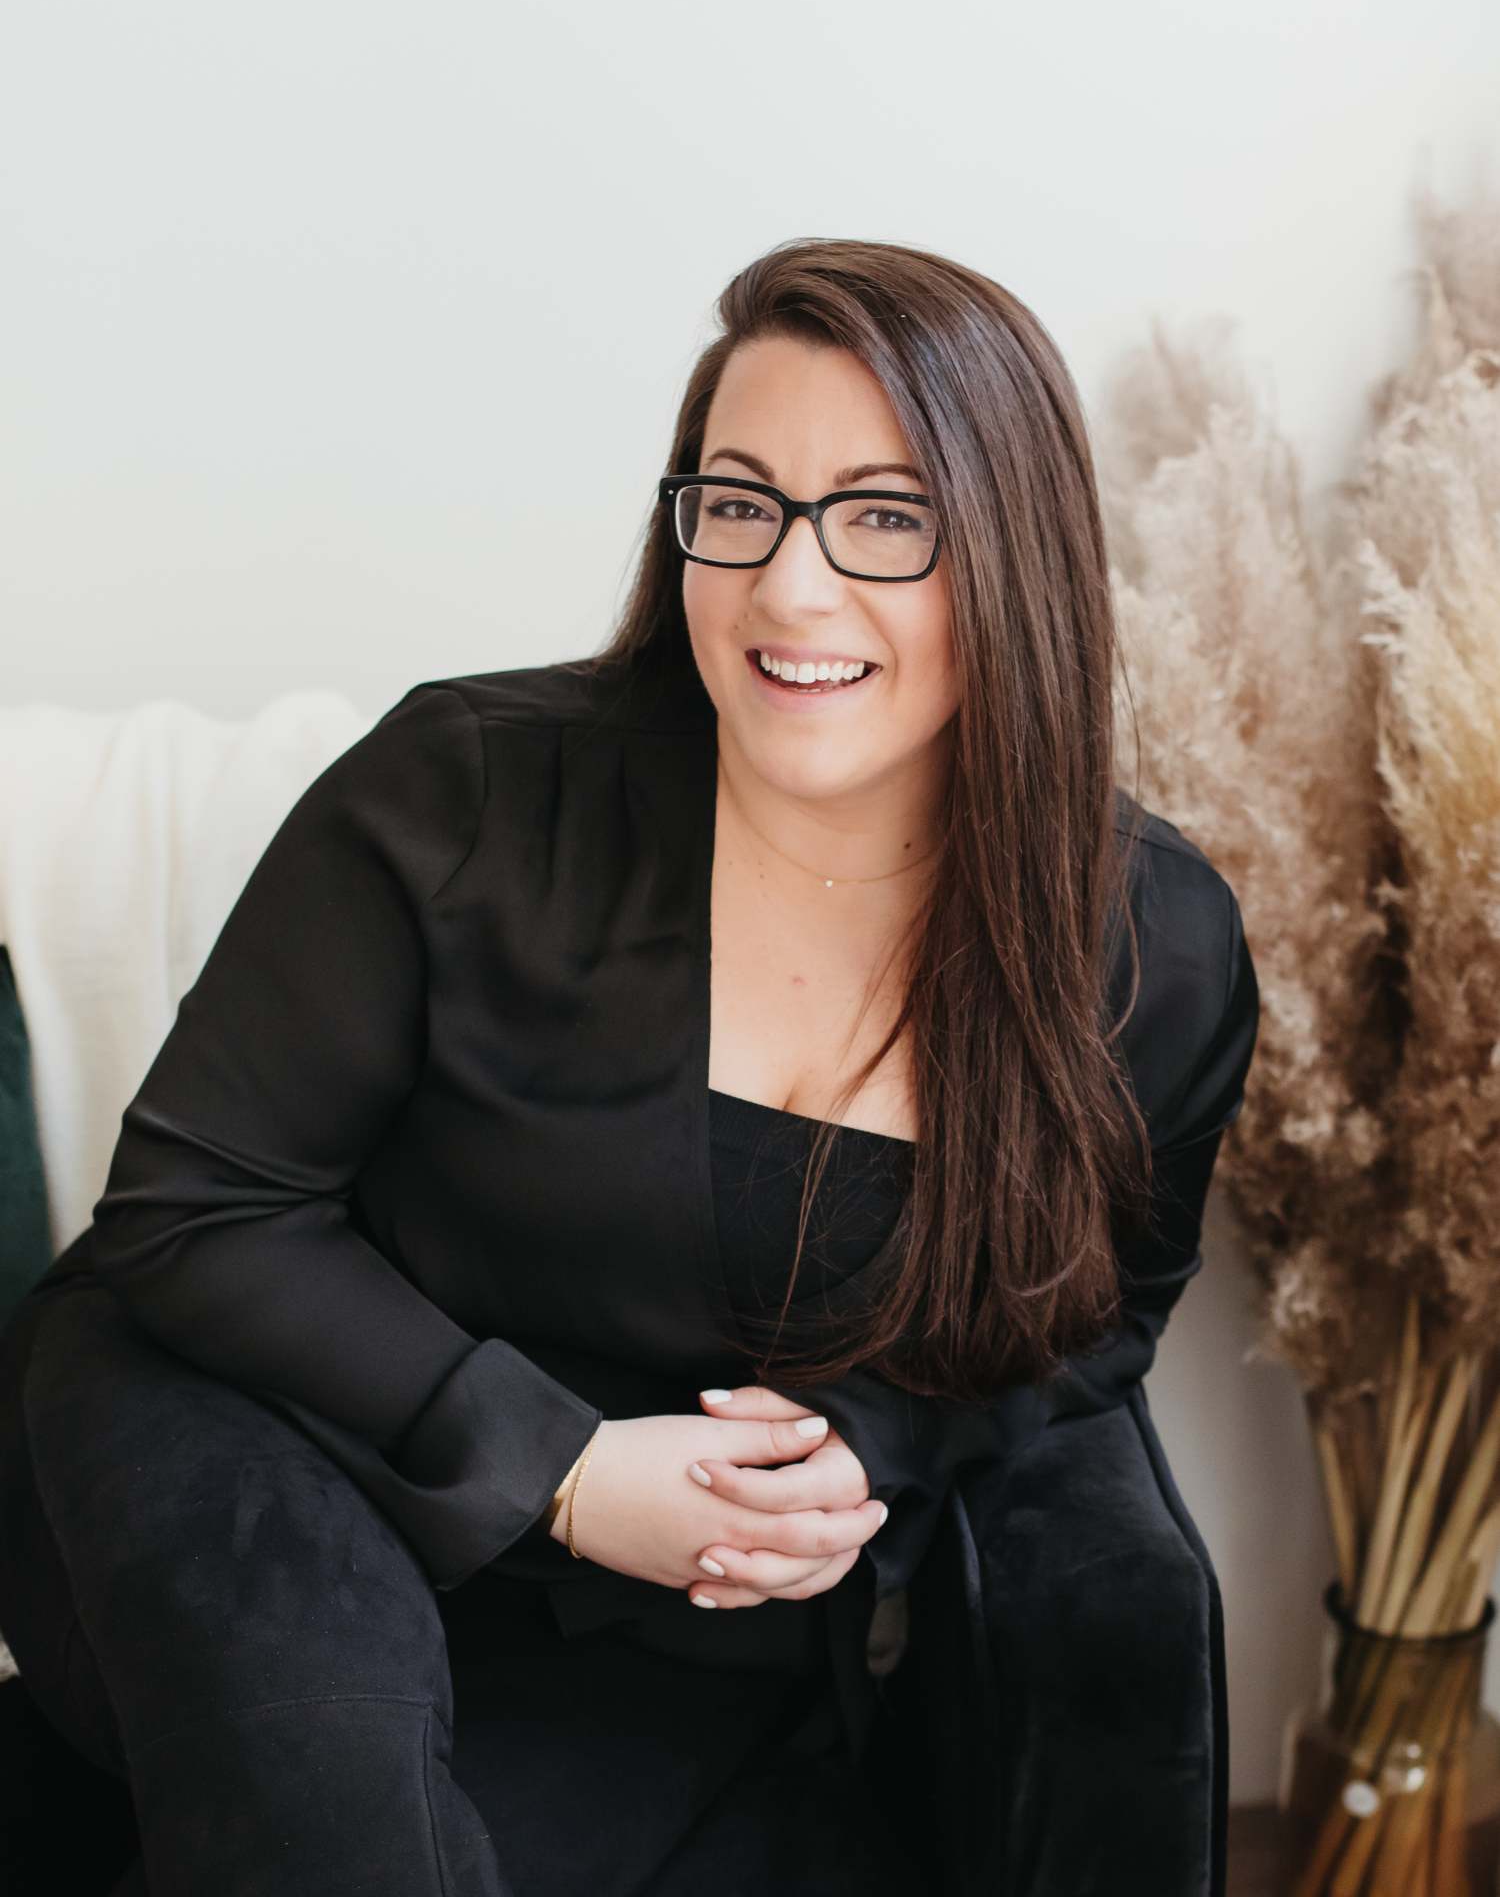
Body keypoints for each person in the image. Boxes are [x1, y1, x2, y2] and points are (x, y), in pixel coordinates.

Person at [0, 234, 1259, 1895]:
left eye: (884, 517)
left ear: (1015, 555)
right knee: (328, 1793)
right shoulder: (463, 792)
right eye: (739, 503)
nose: (789, 587)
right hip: (246, 1429)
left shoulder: (1148, 946)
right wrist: (573, 1471)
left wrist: (863, 1448)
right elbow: (194, 1210)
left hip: (655, 1618)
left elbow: (1098, 1313)